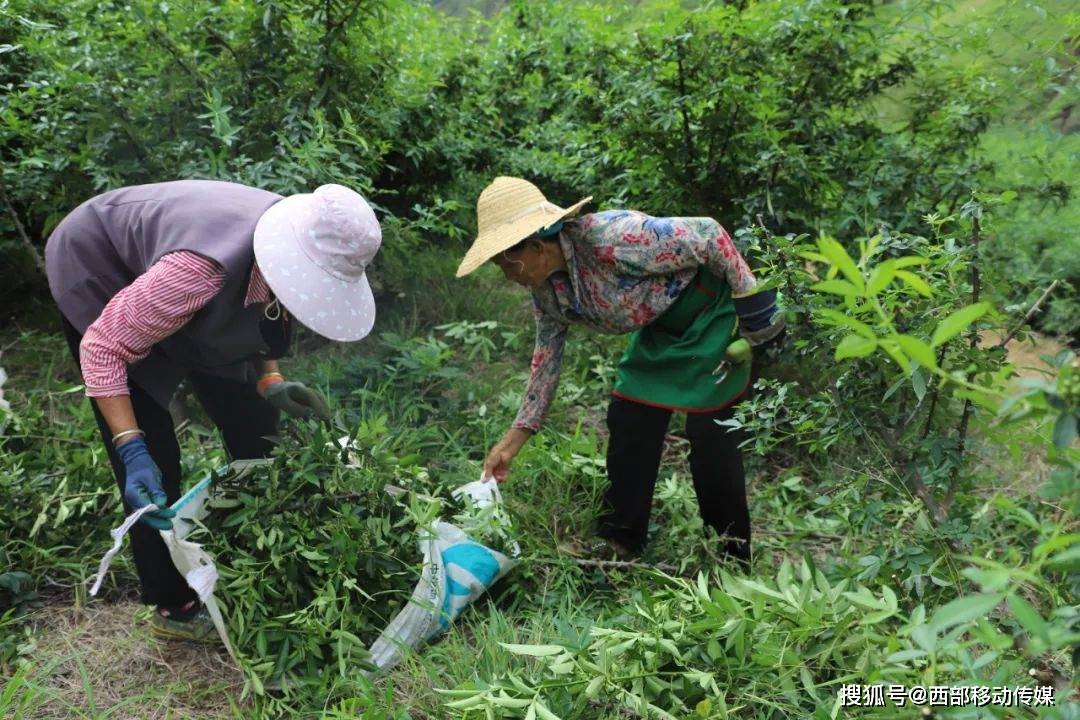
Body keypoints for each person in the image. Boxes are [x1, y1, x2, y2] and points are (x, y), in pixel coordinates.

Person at [45, 180, 381, 641]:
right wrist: (131, 448)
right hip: (101, 265)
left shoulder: (296, 238)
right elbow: (103, 347)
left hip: (178, 286)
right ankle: (172, 603)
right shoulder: (198, 272)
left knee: (256, 425)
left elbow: (267, 305)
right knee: (156, 462)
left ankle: (254, 545)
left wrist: (270, 379)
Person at [457, 177, 784, 568]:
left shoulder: (614, 239)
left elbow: (709, 234)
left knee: (711, 436)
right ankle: (622, 538)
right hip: (662, 329)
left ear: (534, 245)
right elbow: (547, 358)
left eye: (505, 262)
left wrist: (756, 306)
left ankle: (732, 554)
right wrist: (511, 444)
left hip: (710, 316)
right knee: (630, 416)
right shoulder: (547, 290)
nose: (506, 274)